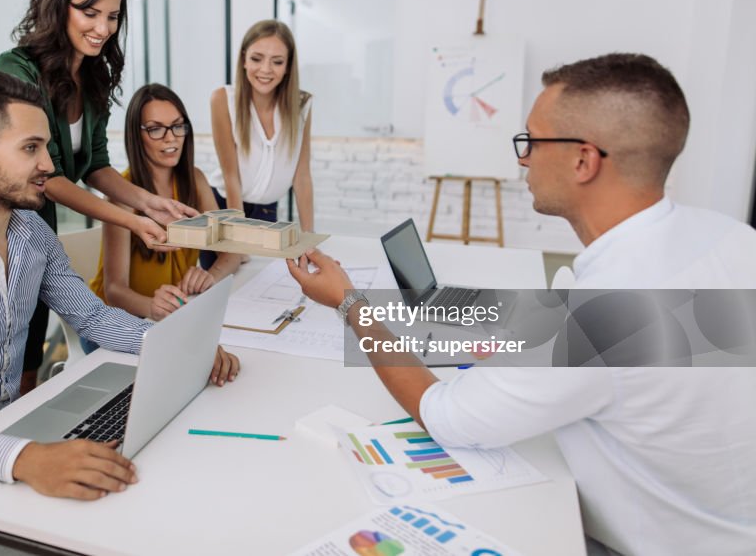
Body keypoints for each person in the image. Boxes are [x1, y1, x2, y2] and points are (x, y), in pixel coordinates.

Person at [286, 53, 756, 555]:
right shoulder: (731, 237)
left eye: (531, 140)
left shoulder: (601, 316)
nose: (523, 158)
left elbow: (443, 414)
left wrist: (351, 303)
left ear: (584, 160)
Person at [0, 72, 239, 517]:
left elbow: (96, 319)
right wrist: (25, 459)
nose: (48, 164)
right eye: (31, 148)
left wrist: (181, 346)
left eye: (45, 146)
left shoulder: (32, 234)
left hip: (16, 434)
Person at [0, 0, 197, 392]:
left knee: (27, 354)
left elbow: (96, 167)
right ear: (59, 4)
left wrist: (152, 203)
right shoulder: (17, 70)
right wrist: (133, 220)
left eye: (114, 16)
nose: (103, 28)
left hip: (33, 229)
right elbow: (45, 174)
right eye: (90, 11)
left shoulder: (95, 76)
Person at [88, 84, 240, 328]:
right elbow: (114, 290)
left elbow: (232, 250)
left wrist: (210, 276)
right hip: (117, 323)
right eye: (155, 129)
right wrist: (151, 306)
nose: (171, 138)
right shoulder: (122, 193)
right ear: (136, 136)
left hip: (173, 316)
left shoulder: (196, 180)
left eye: (178, 126)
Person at [203, 20, 314, 268]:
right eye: (256, 58)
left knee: (261, 286)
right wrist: (238, 236)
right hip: (225, 209)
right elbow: (232, 177)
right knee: (223, 285)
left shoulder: (301, 105)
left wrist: (309, 239)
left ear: (288, 67)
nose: (266, 69)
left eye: (277, 61)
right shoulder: (223, 100)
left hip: (266, 213)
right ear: (244, 60)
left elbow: (302, 176)